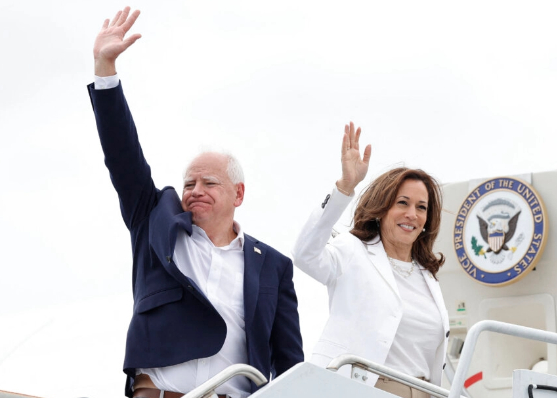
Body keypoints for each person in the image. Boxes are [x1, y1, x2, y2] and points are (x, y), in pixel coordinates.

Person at [87, 7, 303, 398]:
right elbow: (122, 154)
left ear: (238, 194)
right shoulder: (154, 222)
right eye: (189, 183)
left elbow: (289, 362)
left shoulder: (273, 266)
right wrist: (105, 70)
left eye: (209, 182)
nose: (195, 190)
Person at [292, 123, 449, 398]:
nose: (412, 214)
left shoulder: (428, 276)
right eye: (403, 203)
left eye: (421, 207)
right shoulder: (353, 251)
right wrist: (344, 187)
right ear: (382, 208)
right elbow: (305, 255)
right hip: (364, 390)